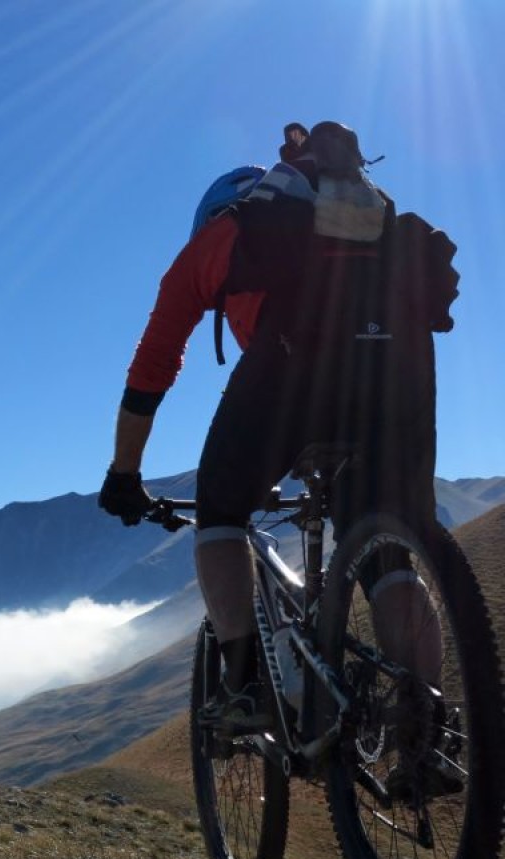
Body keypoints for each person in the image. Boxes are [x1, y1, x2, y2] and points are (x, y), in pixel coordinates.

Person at [98, 121, 459, 736]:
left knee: (220, 509)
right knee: (390, 555)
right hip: (399, 381)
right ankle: (430, 726)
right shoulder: (375, 232)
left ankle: (240, 685)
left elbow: (153, 365)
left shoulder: (227, 233)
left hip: (293, 373)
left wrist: (124, 474)